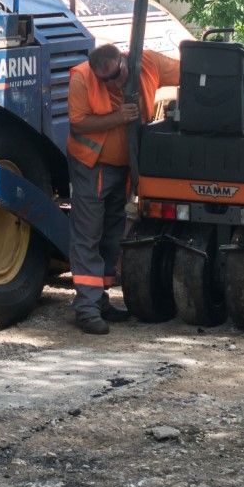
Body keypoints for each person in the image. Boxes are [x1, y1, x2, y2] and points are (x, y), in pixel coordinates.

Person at [66, 41, 180, 334]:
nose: (114, 84)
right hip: (93, 166)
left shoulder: (148, 62)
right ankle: (87, 309)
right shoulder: (82, 77)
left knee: (112, 234)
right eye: (105, 80)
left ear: (124, 62)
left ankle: (101, 300)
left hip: (123, 167)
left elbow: (185, 71)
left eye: (117, 76)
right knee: (88, 234)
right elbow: (78, 124)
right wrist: (118, 117)